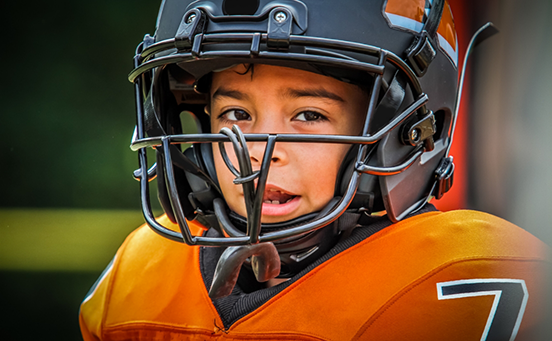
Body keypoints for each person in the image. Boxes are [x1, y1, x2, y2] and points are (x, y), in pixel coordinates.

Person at [80, 0, 551, 340]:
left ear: (403, 129)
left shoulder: (460, 277)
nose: (261, 152)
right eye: (236, 116)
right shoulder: (142, 274)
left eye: (308, 115)